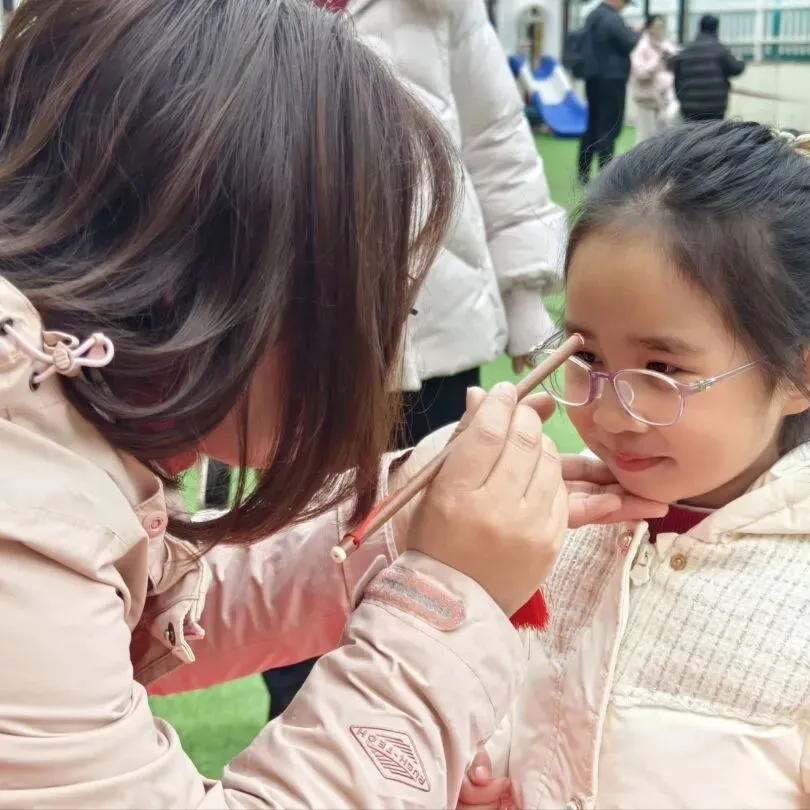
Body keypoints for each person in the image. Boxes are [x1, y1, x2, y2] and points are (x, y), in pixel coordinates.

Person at [0, 1, 666, 806]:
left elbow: (131, 607)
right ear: (225, 281)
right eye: (376, 297)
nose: (378, 344)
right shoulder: (26, 507)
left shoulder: (49, 419)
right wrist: (446, 596)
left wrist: (401, 517)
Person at [458, 121, 810, 809]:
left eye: (663, 369)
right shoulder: (542, 528)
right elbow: (499, 698)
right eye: (586, 357)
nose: (612, 413)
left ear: (797, 375)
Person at [261, 0, 570, 720]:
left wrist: (525, 299)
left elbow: (495, 137)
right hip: (296, 335)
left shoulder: (440, 8)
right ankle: (302, 726)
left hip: (435, 331)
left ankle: (441, 724)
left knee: (446, 540)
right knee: (292, 543)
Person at [577, 0, 639, 186]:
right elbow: (627, 43)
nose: (624, 7)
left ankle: (583, 173)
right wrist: (635, 33)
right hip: (612, 79)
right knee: (609, 128)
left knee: (593, 126)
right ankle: (605, 177)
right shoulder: (612, 18)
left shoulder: (593, 16)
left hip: (593, 78)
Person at [673, 14, 745, 122]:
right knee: (712, 132)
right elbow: (736, 68)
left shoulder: (686, 50)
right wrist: (741, 60)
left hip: (689, 107)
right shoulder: (720, 49)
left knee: (691, 132)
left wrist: (681, 98)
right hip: (714, 107)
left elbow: (677, 78)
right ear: (716, 28)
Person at [630, 15, 678, 143]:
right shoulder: (641, 47)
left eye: (661, 26)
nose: (659, 30)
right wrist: (657, 60)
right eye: (656, 27)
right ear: (648, 28)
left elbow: (674, 68)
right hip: (647, 99)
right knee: (645, 138)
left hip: (665, 98)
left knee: (665, 137)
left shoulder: (667, 45)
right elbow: (640, 73)